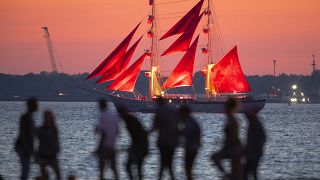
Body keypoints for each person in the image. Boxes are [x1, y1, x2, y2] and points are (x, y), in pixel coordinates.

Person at [212, 98, 243, 180]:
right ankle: (226, 175)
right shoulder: (230, 120)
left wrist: (225, 143)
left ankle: (226, 175)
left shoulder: (233, 121)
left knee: (236, 173)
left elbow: (233, 136)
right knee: (235, 172)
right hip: (232, 146)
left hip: (233, 147)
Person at [150, 97, 180, 180]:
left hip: (163, 142)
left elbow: (155, 127)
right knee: (169, 163)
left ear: (158, 103)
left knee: (163, 163)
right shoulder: (173, 111)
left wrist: (145, 133)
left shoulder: (159, 111)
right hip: (173, 142)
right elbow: (179, 125)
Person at [117, 106, 149, 180]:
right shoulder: (129, 119)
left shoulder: (129, 120)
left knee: (131, 166)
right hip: (142, 144)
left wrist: (130, 148)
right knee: (137, 167)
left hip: (141, 145)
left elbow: (137, 135)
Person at [95, 99, 119, 180]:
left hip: (104, 146)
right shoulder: (114, 115)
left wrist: (98, 148)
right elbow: (117, 131)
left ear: (100, 106)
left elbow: (103, 133)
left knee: (101, 167)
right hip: (112, 145)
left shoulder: (102, 116)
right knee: (114, 167)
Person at [15, 98, 38, 180]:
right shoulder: (25, 117)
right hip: (23, 148)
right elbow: (23, 134)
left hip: (27, 147)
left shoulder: (30, 117)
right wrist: (26, 147)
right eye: (35, 104)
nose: (37, 106)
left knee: (26, 169)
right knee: (25, 169)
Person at [36, 111, 61, 180]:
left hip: (52, 155)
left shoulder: (54, 129)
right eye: (46, 117)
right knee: (45, 175)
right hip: (42, 155)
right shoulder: (40, 129)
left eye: (49, 117)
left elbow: (56, 141)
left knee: (58, 175)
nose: (47, 119)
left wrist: (57, 150)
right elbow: (34, 140)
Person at [179, 105, 201, 180]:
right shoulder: (192, 122)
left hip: (191, 148)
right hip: (193, 147)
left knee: (188, 168)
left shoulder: (189, 123)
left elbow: (186, 134)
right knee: (188, 169)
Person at [244, 111, 266, 180]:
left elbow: (263, 137)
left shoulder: (255, 124)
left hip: (254, 153)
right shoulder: (252, 124)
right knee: (252, 171)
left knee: (249, 171)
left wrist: (257, 146)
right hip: (252, 153)